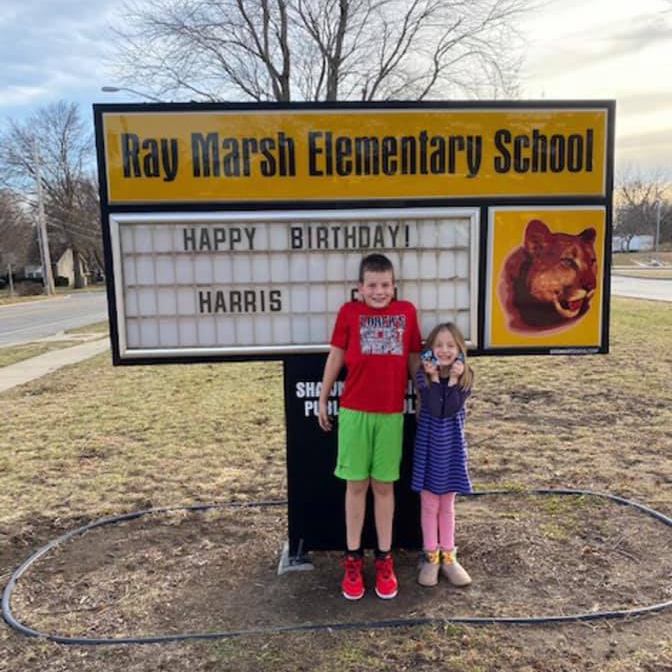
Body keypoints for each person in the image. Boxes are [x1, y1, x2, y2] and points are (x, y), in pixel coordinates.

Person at [318, 253, 421, 600]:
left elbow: (412, 358)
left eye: (385, 285)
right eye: (372, 285)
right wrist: (323, 396)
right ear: (359, 289)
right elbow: (335, 354)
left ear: (394, 287)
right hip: (353, 412)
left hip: (391, 414)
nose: (379, 291)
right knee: (356, 485)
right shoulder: (349, 314)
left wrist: (421, 394)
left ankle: (384, 559)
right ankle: (352, 560)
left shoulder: (406, 312)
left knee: (384, 486)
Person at [412, 322, 473, 588]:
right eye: (439, 346)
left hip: (451, 449)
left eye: (451, 346)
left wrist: (455, 380)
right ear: (430, 350)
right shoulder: (422, 375)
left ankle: (449, 556)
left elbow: (450, 409)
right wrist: (435, 378)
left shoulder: (466, 376)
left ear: (460, 350)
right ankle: (431, 557)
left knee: (447, 505)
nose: (445, 351)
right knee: (429, 505)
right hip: (428, 447)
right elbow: (435, 408)